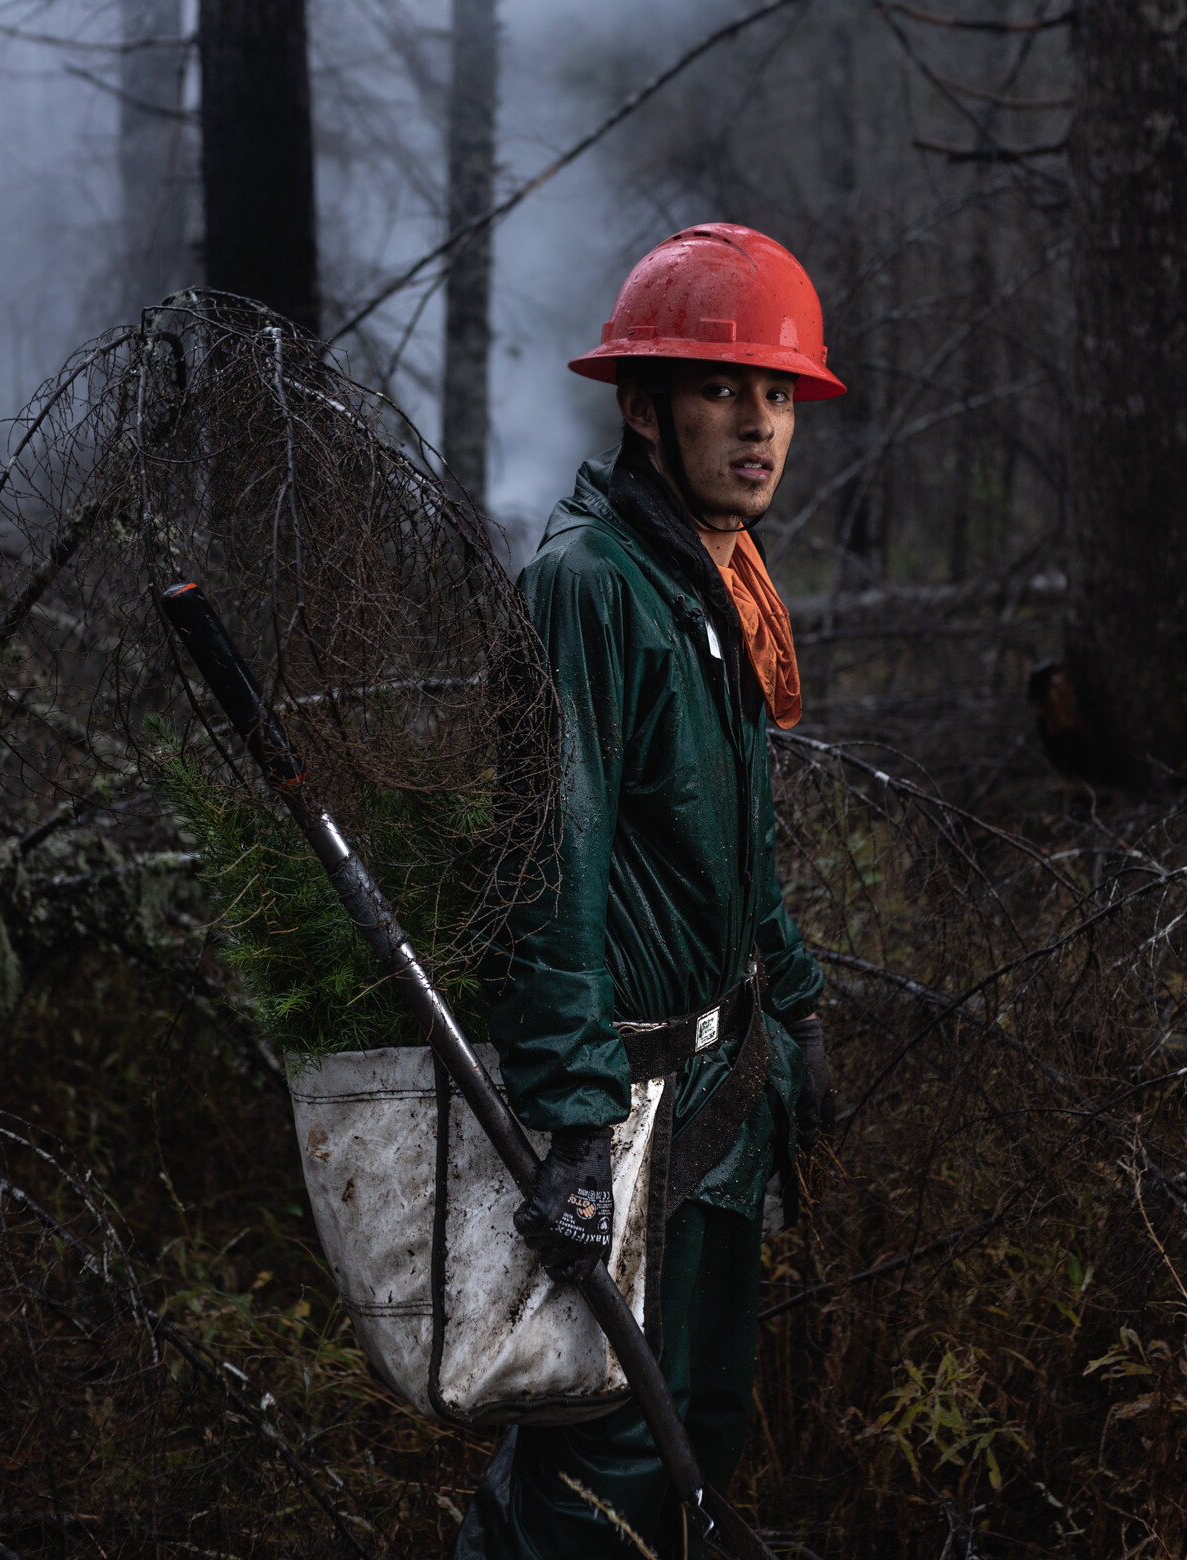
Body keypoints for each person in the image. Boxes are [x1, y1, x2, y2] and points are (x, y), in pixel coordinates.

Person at [454, 224, 842, 1559]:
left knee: (705, 1426)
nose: (759, 424)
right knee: (605, 1452)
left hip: (725, 1103)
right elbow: (539, 879)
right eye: (723, 390)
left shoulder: (716, 584)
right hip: (626, 1111)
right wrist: (568, 1132)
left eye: (779, 393)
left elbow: (738, 855)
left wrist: (799, 1011)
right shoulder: (589, 590)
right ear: (642, 408)